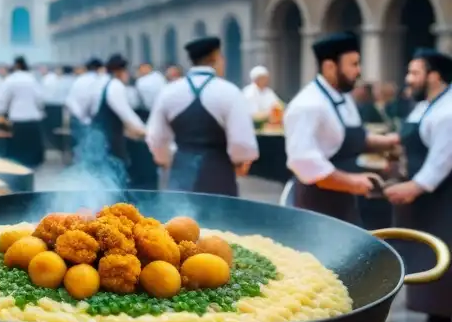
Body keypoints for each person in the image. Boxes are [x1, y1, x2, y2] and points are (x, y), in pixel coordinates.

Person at [283, 32, 399, 224]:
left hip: (346, 200)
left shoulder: (344, 97)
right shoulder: (307, 105)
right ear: (330, 66)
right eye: (353, 64)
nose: (359, 71)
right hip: (318, 204)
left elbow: (355, 137)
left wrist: (391, 140)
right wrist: (352, 182)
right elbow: (303, 162)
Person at [384, 49, 452, 322]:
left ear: (434, 76)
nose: (408, 79)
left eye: (414, 72)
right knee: (431, 268)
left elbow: (441, 161)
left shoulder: (448, 111)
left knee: (444, 267)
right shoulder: (426, 106)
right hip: (427, 205)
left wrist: (412, 187)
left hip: (443, 202)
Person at [146, 37, 259, 196]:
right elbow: (242, 142)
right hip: (218, 175)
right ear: (216, 57)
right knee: (219, 220)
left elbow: (155, 137)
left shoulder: (169, 92)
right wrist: (240, 162)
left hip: (181, 173)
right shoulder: (229, 92)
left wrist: (167, 160)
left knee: (180, 218)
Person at [88, 54, 146, 181]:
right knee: (113, 179)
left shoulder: (100, 83)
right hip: (109, 142)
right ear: (119, 71)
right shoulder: (115, 85)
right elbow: (127, 115)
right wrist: (146, 132)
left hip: (97, 139)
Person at [0, 56, 45, 168]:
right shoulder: (33, 79)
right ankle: (33, 166)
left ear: (15, 66)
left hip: (17, 119)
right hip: (33, 119)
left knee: (18, 152)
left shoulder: (11, 79)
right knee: (32, 148)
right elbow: (40, 99)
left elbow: (1, 100)